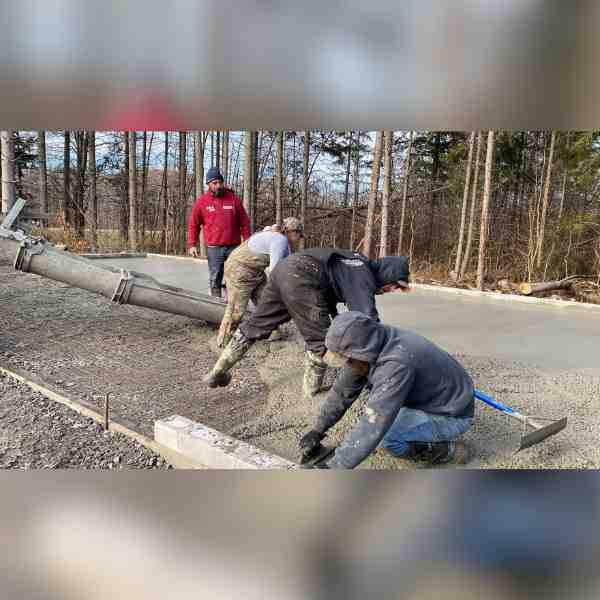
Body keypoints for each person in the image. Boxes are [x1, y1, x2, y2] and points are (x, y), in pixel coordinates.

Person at [202, 248, 410, 397]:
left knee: (256, 324)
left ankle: (218, 371)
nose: (391, 290)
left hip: (285, 270)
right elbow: (367, 319)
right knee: (320, 342)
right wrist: (383, 356)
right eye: (394, 285)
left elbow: (328, 295)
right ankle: (311, 394)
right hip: (302, 276)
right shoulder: (362, 270)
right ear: (388, 273)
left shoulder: (353, 261)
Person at [299, 311, 475, 469]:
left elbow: (373, 424)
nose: (347, 364)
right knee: (378, 415)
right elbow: (342, 391)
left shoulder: (396, 364)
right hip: (434, 397)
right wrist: (318, 429)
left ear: (361, 351)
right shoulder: (372, 340)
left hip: (452, 414)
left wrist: (335, 467)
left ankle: (446, 451)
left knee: (389, 439)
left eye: (348, 359)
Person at [216, 217, 304, 347]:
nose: (299, 239)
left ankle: (272, 331)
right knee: (237, 310)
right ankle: (223, 342)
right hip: (239, 270)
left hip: (254, 271)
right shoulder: (280, 240)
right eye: (299, 235)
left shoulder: (280, 239)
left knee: (266, 300)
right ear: (292, 232)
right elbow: (275, 271)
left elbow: (288, 264)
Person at [187, 167, 251, 297]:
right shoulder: (202, 202)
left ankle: (231, 308)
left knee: (233, 278)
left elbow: (244, 222)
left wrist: (247, 240)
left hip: (233, 247)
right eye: (214, 183)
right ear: (208, 184)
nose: (218, 185)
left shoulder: (233, 199)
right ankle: (214, 308)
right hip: (214, 249)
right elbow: (194, 224)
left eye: (220, 182)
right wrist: (192, 244)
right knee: (215, 279)